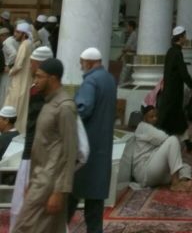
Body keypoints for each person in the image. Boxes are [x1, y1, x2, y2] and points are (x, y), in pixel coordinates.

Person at [11, 57, 77, 233]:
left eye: (40, 76)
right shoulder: (49, 103)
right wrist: (32, 181)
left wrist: (60, 191)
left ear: (53, 78)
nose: (36, 81)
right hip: (40, 180)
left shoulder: (64, 107)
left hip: (49, 183)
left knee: (23, 228)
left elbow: (70, 152)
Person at [67, 46, 117, 233]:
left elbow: (82, 109)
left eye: (82, 63)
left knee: (71, 194)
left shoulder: (91, 82)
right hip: (102, 147)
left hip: (85, 148)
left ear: (88, 62)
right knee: (94, 203)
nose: (81, 66)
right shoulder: (109, 79)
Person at [9, 44, 53, 233]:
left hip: (38, 154)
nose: (31, 66)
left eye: (33, 63)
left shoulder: (45, 91)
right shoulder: (36, 87)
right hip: (33, 152)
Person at [132, 104, 192, 190]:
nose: (155, 119)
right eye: (151, 117)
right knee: (173, 140)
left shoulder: (151, 128)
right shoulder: (143, 126)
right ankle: (175, 183)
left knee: (185, 167)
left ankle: (182, 182)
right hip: (145, 172)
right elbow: (164, 137)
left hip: (154, 171)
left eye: (156, 116)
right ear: (144, 118)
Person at [157, 26, 192, 139]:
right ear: (181, 38)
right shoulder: (177, 53)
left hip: (170, 90)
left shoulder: (171, 51)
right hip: (174, 92)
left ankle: (187, 143)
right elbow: (183, 73)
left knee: (178, 118)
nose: (186, 39)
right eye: (185, 36)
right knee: (166, 119)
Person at [4, 23, 33, 134]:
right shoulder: (29, 44)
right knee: (22, 108)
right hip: (25, 80)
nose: (15, 34)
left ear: (24, 34)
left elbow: (19, 65)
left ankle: (12, 133)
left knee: (14, 107)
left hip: (20, 81)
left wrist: (10, 71)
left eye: (17, 32)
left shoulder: (24, 45)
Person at [119, 20, 138, 85]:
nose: (127, 28)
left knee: (125, 72)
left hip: (130, 56)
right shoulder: (132, 35)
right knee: (128, 72)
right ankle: (126, 84)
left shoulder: (134, 35)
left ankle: (122, 84)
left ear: (131, 27)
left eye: (128, 26)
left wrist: (125, 50)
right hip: (128, 55)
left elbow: (133, 48)